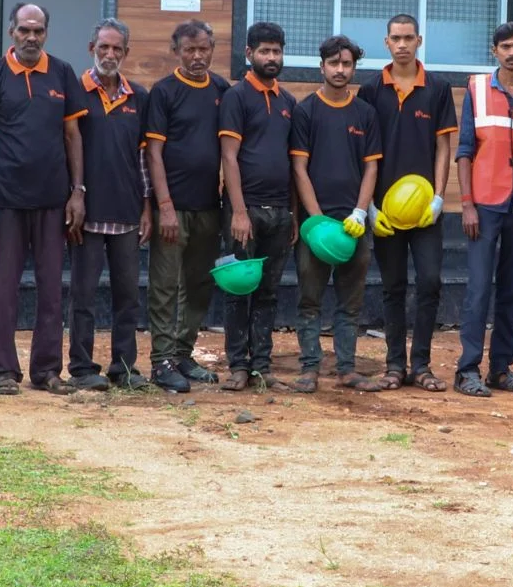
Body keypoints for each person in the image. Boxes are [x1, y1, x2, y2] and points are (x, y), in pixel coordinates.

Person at [0, 3, 86, 395]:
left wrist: (77, 192)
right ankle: (5, 370)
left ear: (46, 33)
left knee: (51, 288)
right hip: (6, 199)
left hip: (53, 200)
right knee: (5, 289)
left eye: (38, 30)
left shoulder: (62, 73)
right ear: (12, 32)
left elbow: (73, 135)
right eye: (25, 30)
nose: (31, 37)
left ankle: (47, 370)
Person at [359, 14, 456, 392]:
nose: (402, 44)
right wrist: (369, 206)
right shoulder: (371, 90)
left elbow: (444, 146)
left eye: (408, 38)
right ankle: (395, 365)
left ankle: (423, 365)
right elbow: (365, 152)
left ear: (419, 41)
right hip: (385, 212)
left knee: (430, 282)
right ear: (386, 42)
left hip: (425, 212)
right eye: (396, 38)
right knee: (393, 287)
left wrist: (439, 197)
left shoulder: (438, 88)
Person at [453, 21, 513, 397]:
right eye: (505, 47)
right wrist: (467, 204)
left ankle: (501, 369)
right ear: (495, 51)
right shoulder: (477, 89)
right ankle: (467, 370)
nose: (512, 53)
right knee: (478, 290)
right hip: (485, 206)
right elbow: (464, 151)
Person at [290, 34, 381, 392]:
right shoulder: (306, 111)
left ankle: (347, 369)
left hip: (354, 227)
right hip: (316, 225)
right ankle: (309, 369)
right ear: (322, 66)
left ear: (354, 68)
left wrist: (360, 213)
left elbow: (371, 168)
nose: (340, 70)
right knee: (309, 300)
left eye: (347, 64)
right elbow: (299, 169)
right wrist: (316, 222)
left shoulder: (365, 113)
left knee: (350, 301)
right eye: (334, 63)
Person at [144, 19, 229, 392]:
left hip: (209, 206)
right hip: (172, 207)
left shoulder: (222, 90)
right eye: (190, 50)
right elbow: (154, 153)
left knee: (199, 284)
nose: (197, 56)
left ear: (212, 49)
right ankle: (161, 361)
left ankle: (182, 353)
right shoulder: (163, 92)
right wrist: (163, 205)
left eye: (203, 49)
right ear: (176, 51)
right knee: (165, 285)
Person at [69, 18, 151, 390]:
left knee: (128, 296)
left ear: (126, 53)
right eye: (104, 47)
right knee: (83, 295)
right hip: (85, 213)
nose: (110, 54)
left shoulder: (139, 97)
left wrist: (147, 206)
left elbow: (143, 158)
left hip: (127, 212)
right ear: (92, 49)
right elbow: (66, 149)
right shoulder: (75, 91)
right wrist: (73, 197)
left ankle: (124, 368)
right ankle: (81, 368)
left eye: (117, 48)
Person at [219, 21, 297, 392]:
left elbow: (294, 162)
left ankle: (262, 366)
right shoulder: (236, 97)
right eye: (264, 51)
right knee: (239, 289)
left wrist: (293, 213)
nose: (271, 57)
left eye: (276, 51)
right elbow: (229, 156)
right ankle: (238, 365)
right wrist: (238, 212)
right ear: (249, 53)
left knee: (268, 292)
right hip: (245, 210)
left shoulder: (288, 102)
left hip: (280, 212)